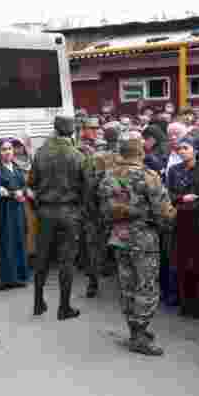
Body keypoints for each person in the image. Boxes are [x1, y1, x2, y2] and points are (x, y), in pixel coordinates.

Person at [97, 131, 176, 356]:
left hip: (119, 237)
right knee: (147, 286)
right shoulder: (148, 176)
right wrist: (170, 219)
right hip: (144, 239)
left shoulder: (109, 176)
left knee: (127, 285)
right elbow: (164, 213)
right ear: (140, 151)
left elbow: (103, 210)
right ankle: (140, 335)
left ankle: (134, 329)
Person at [29, 116, 86, 320]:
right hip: (69, 212)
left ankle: (38, 303)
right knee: (67, 260)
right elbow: (85, 186)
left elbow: (32, 181)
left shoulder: (41, 153)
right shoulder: (77, 155)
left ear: (55, 129)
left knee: (42, 257)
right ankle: (64, 307)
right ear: (71, 132)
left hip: (45, 211)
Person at [165, 136, 199, 318]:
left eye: (186, 147)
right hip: (180, 223)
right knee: (182, 264)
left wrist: (182, 202)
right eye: (179, 148)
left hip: (198, 223)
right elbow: (168, 194)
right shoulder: (173, 170)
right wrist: (182, 199)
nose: (182, 151)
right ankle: (185, 304)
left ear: (195, 150)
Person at [82, 127, 121, 298]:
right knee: (121, 246)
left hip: (98, 209)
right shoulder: (124, 157)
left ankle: (93, 283)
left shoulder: (96, 157)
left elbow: (89, 185)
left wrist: (90, 207)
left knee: (94, 248)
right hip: (119, 210)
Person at [0, 139, 30, 291]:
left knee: (20, 239)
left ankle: (20, 276)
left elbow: (24, 184)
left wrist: (24, 192)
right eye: (3, 149)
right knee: (8, 242)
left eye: (9, 148)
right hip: (5, 211)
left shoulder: (16, 167)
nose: (7, 152)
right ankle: (8, 279)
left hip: (19, 210)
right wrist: (14, 193)